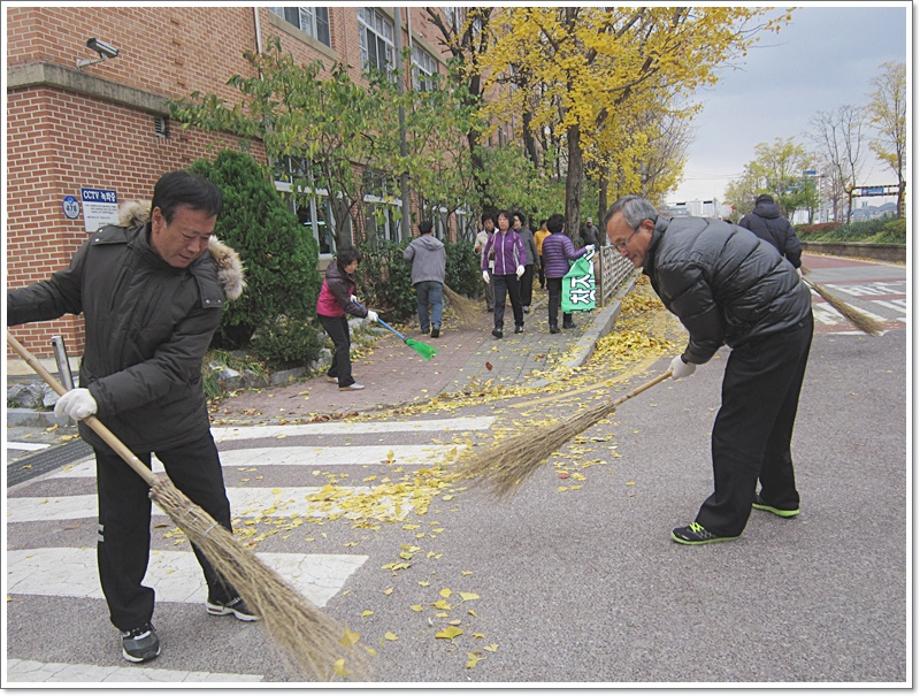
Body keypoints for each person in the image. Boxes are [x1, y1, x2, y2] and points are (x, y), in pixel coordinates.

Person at [7, 171, 254, 664]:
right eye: (189, 236)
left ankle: (225, 588)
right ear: (157, 218)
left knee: (208, 508)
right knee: (122, 524)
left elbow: (171, 368)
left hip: (175, 416)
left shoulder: (206, 285)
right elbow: (60, 293)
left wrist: (96, 394)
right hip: (113, 423)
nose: (197, 247)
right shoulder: (104, 251)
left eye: (206, 236)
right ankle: (132, 618)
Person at [604, 195, 813, 546]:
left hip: (769, 327)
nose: (622, 251)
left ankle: (723, 520)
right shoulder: (677, 232)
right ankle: (780, 496)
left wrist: (688, 360)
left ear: (648, 227)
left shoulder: (673, 260)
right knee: (773, 414)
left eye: (624, 242)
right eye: (615, 246)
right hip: (794, 314)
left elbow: (708, 333)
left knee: (736, 427)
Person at [316, 247, 378, 391]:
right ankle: (345, 382)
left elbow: (344, 293)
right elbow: (347, 306)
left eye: (356, 263)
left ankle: (333, 373)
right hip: (327, 313)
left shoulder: (340, 271)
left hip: (336, 311)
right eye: (353, 264)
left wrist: (349, 294)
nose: (355, 267)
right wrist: (366, 313)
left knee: (345, 342)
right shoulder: (335, 280)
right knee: (342, 344)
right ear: (345, 264)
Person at [541, 213, 593, 333]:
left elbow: (544, 256)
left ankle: (553, 324)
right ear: (562, 226)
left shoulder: (546, 241)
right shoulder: (564, 239)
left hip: (550, 273)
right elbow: (572, 255)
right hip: (564, 273)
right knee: (566, 297)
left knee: (553, 299)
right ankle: (567, 321)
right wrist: (586, 249)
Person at [481, 210, 525, 338]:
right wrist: (485, 269)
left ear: (509, 221)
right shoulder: (494, 237)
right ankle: (498, 327)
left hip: (513, 272)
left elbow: (522, 252)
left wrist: (521, 265)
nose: (502, 222)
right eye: (500, 219)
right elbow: (486, 253)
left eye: (504, 219)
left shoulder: (515, 237)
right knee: (499, 301)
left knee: (515, 299)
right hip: (498, 273)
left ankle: (519, 323)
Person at [403, 220, 446, 338]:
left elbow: (406, 256)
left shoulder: (414, 244)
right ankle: (436, 325)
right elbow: (444, 260)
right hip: (436, 277)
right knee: (437, 303)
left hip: (420, 278)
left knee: (422, 303)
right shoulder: (439, 245)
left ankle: (425, 327)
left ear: (419, 230)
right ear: (431, 230)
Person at [739, 194, 803, 272]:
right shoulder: (784, 222)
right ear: (773, 204)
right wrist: (794, 265)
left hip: (752, 269)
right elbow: (793, 248)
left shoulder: (747, 221)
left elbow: (739, 246)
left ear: (757, 205)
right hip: (777, 268)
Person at [512, 211, 538, 313]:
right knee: (517, 284)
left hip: (527, 262)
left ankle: (526, 304)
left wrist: (537, 261)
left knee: (526, 284)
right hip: (515, 263)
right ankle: (518, 303)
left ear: (521, 222)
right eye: (513, 221)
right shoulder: (510, 234)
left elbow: (533, 247)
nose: (515, 223)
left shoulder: (528, 233)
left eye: (516, 221)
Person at [474, 212, 496, 312]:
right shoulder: (480, 236)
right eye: (486, 223)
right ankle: (490, 304)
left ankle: (497, 302)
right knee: (487, 283)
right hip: (486, 262)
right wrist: (477, 249)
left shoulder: (499, 233)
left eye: (490, 222)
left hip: (497, 262)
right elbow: (475, 249)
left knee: (496, 283)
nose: (488, 225)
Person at [534, 219, 551, 289]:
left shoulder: (549, 233)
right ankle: (542, 282)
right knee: (541, 269)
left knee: (547, 269)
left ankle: (548, 284)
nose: (545, 226)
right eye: (544, 224)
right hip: (540, 254)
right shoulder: (537, 233)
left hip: (547, 254)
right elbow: (535, 244)